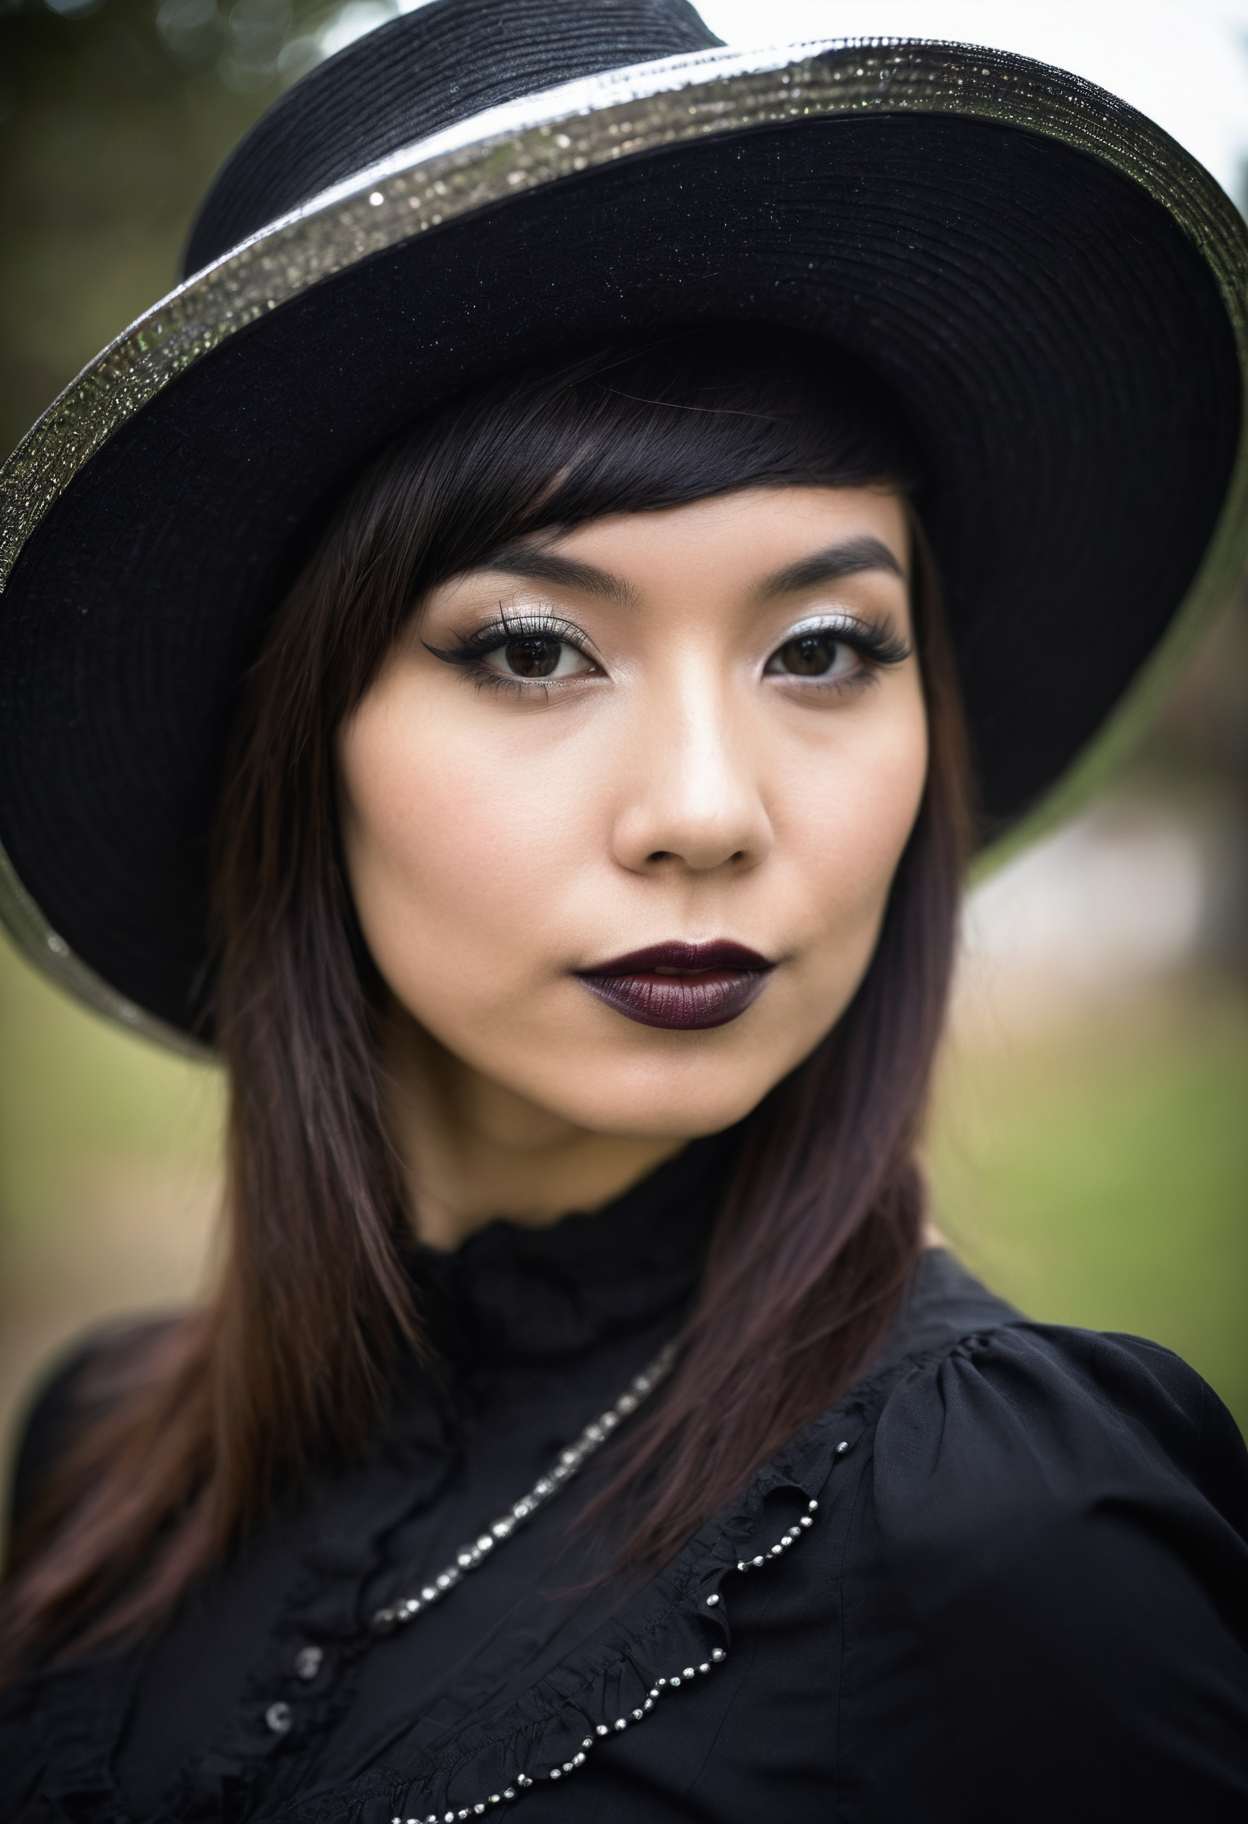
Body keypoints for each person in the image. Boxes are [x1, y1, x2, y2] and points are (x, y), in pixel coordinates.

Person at [0, 2, 1245, 1818]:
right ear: (296, 736)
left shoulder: (1006, 1530)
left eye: (824, 649)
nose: (706, 814)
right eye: (529, 648)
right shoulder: (102, 1453)